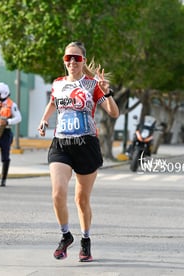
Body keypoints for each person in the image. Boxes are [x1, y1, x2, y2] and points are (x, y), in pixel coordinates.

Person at [38, 41, 119, 262]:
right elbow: (53, 103)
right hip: (61, 144)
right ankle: (66, 236)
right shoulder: (57, 83)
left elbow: (113, 113)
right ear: (64, 61)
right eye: (68, 58)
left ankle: (85, 240)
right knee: (57, 194)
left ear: (83, 61)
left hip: (86, 146)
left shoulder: (93, 85)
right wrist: (44, 120)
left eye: (77, 58)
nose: (72, 61)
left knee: (81, 199)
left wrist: (107, 91)